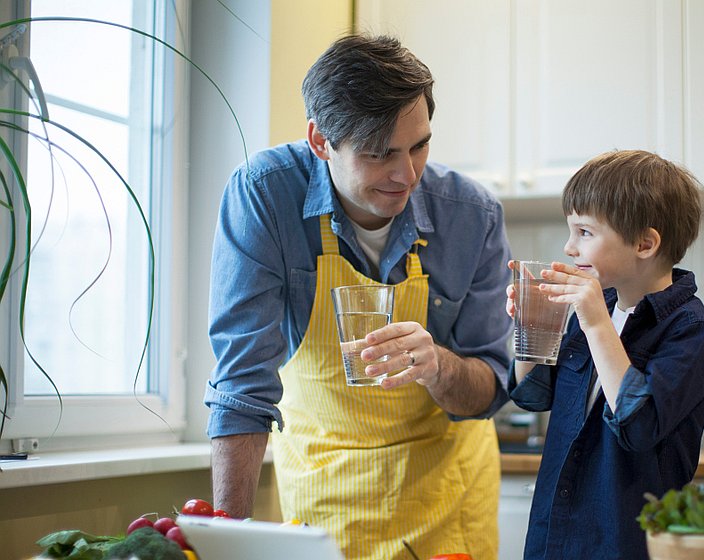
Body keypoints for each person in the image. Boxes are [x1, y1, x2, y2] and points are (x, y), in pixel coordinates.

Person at [204, 34, 512, 560]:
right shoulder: (264, 196)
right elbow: (242, 387)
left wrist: (437, 365)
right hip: (323, 501)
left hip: (445, 501)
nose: (407, 174)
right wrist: (226, 545)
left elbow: (491, 386)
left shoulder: (472, 215)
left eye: (419, 146)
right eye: (379, 154)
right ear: (320, 141)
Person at [505, 150, 704, 559]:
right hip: (555, 539)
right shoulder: (594, 306)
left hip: (625, 544)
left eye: (584, 232)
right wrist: (532, 328)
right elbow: (531, 396)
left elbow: (639, 426)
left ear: (645, 243)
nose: (569, 247)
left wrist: (597, 324)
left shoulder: (688, 328)